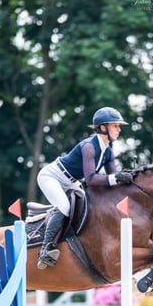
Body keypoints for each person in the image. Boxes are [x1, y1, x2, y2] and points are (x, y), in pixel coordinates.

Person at [36, 106, 134, 269]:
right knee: (64, 207)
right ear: (103, 128)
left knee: (90, 205)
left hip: (71, 180)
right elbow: (91, 180)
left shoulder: (108, 152)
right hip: (52, 176)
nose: (119, 129)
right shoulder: (89, 146)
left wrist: (128, 179)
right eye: (115, 125)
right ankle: (46, 249)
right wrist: (116, 177)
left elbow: (112, 181)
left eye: (118, 126)